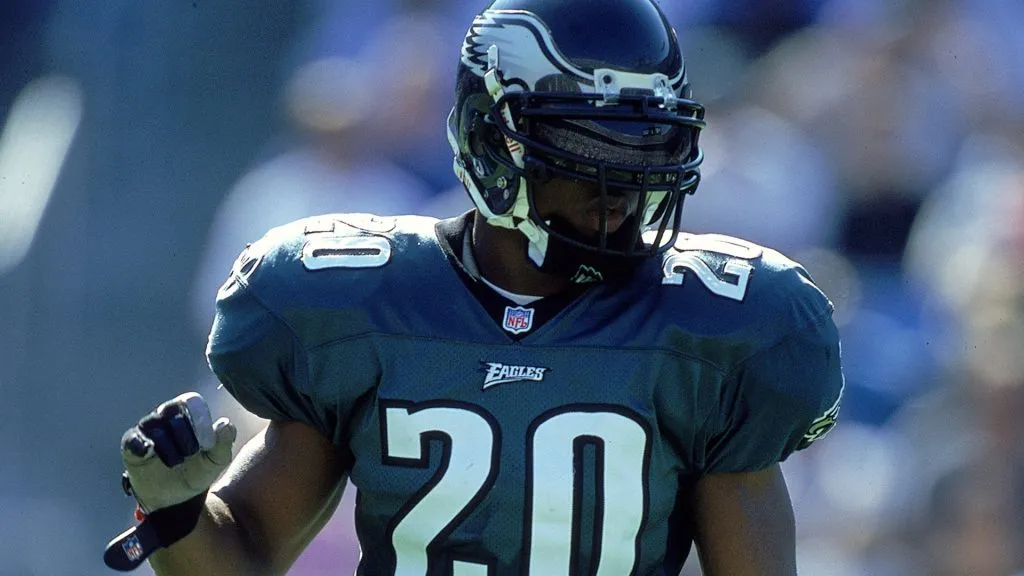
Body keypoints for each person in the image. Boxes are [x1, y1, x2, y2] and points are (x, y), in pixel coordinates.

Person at [106, 1, 845, 574]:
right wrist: (174, 510)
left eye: (645, 152)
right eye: (590, 153)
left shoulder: (714, 330)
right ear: (494, 144)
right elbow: (245, 557)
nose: (620, 191)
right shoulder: (358, 303)